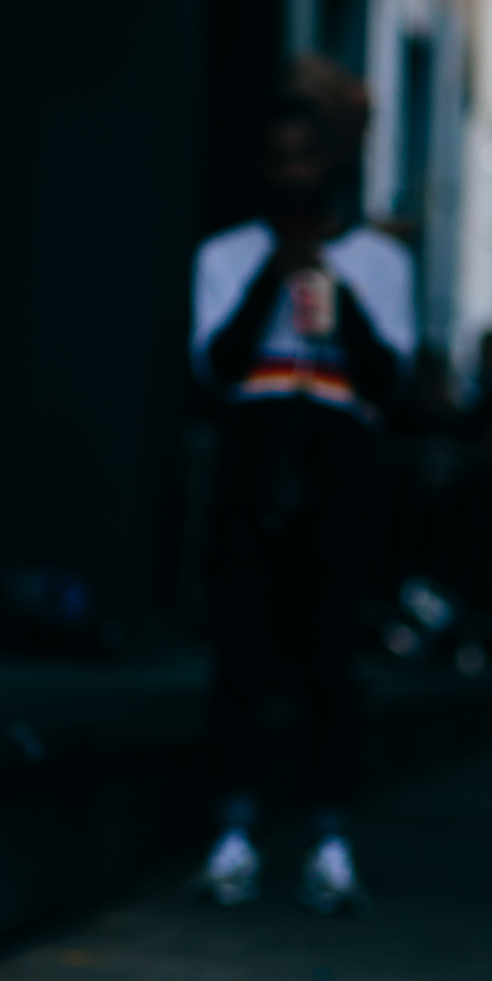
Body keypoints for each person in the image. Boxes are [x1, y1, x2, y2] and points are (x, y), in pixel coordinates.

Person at [191, 93, 416, 911]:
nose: (294, 175)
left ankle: (330, 840)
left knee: (329, 653)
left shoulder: (382, 264)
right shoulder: (227, 254)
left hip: (339, 457)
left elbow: (391, 381)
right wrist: (271, 279)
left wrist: (333, 287)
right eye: (280, 159)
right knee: (240, 646)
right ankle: (233, 832)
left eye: (308, 159)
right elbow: (212, 367)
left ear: (334, 168)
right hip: (253, 455)